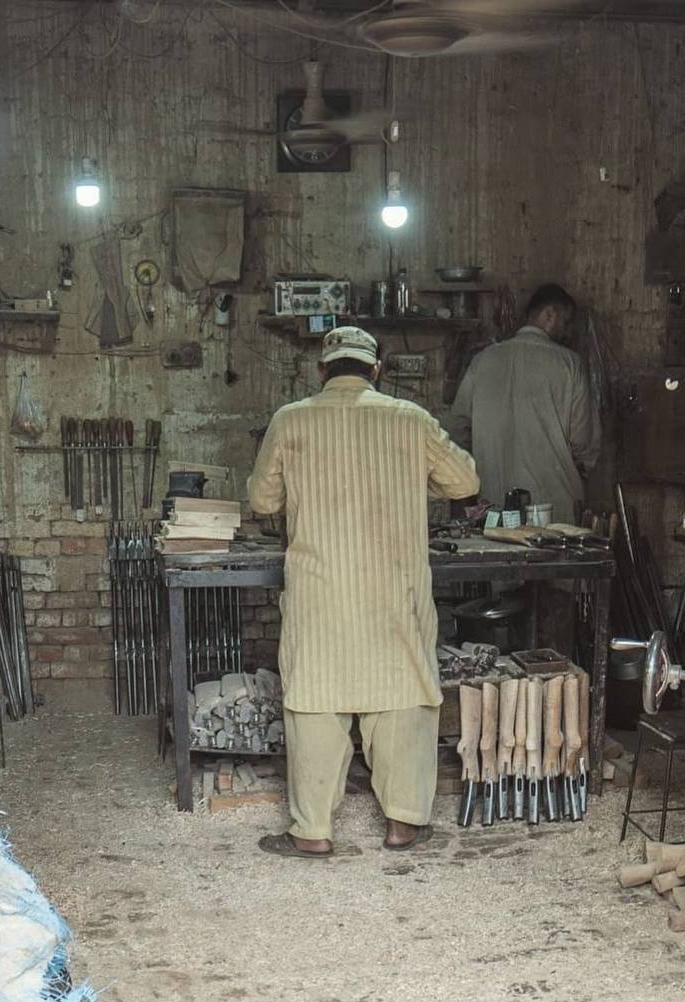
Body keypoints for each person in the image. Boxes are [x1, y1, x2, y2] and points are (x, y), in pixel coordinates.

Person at [248, 326, 479, 858]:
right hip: (392, 589)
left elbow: (262, 501)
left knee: (314, 696)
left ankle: (311, 830)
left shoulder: (290, 420)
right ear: (376, 370)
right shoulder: (410, 419)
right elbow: (465, 483)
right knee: (401, 690)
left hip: (320, 592)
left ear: (322, 371)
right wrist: (414, 476)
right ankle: (403, 824)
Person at [446, 284, 601, 525]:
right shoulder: (570, 364)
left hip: (495, 511)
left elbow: (457, 433)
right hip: (554, 511)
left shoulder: (483, 361)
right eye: (566, 322)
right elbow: (584, 443)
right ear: (549, 315)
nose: (568, 331)